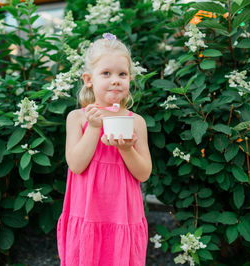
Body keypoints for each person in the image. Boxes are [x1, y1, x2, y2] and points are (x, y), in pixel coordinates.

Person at [57, 33, 152, 266]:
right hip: (88, 211)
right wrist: (94, 128)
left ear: (130, 78)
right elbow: (77, 165)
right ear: (89, 79)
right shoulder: (78, 118)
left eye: (122, 74)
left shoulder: (136, 121)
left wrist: (127, 149)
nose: (116, 80)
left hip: (122, 214)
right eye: (106, 73)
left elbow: (144, 173)